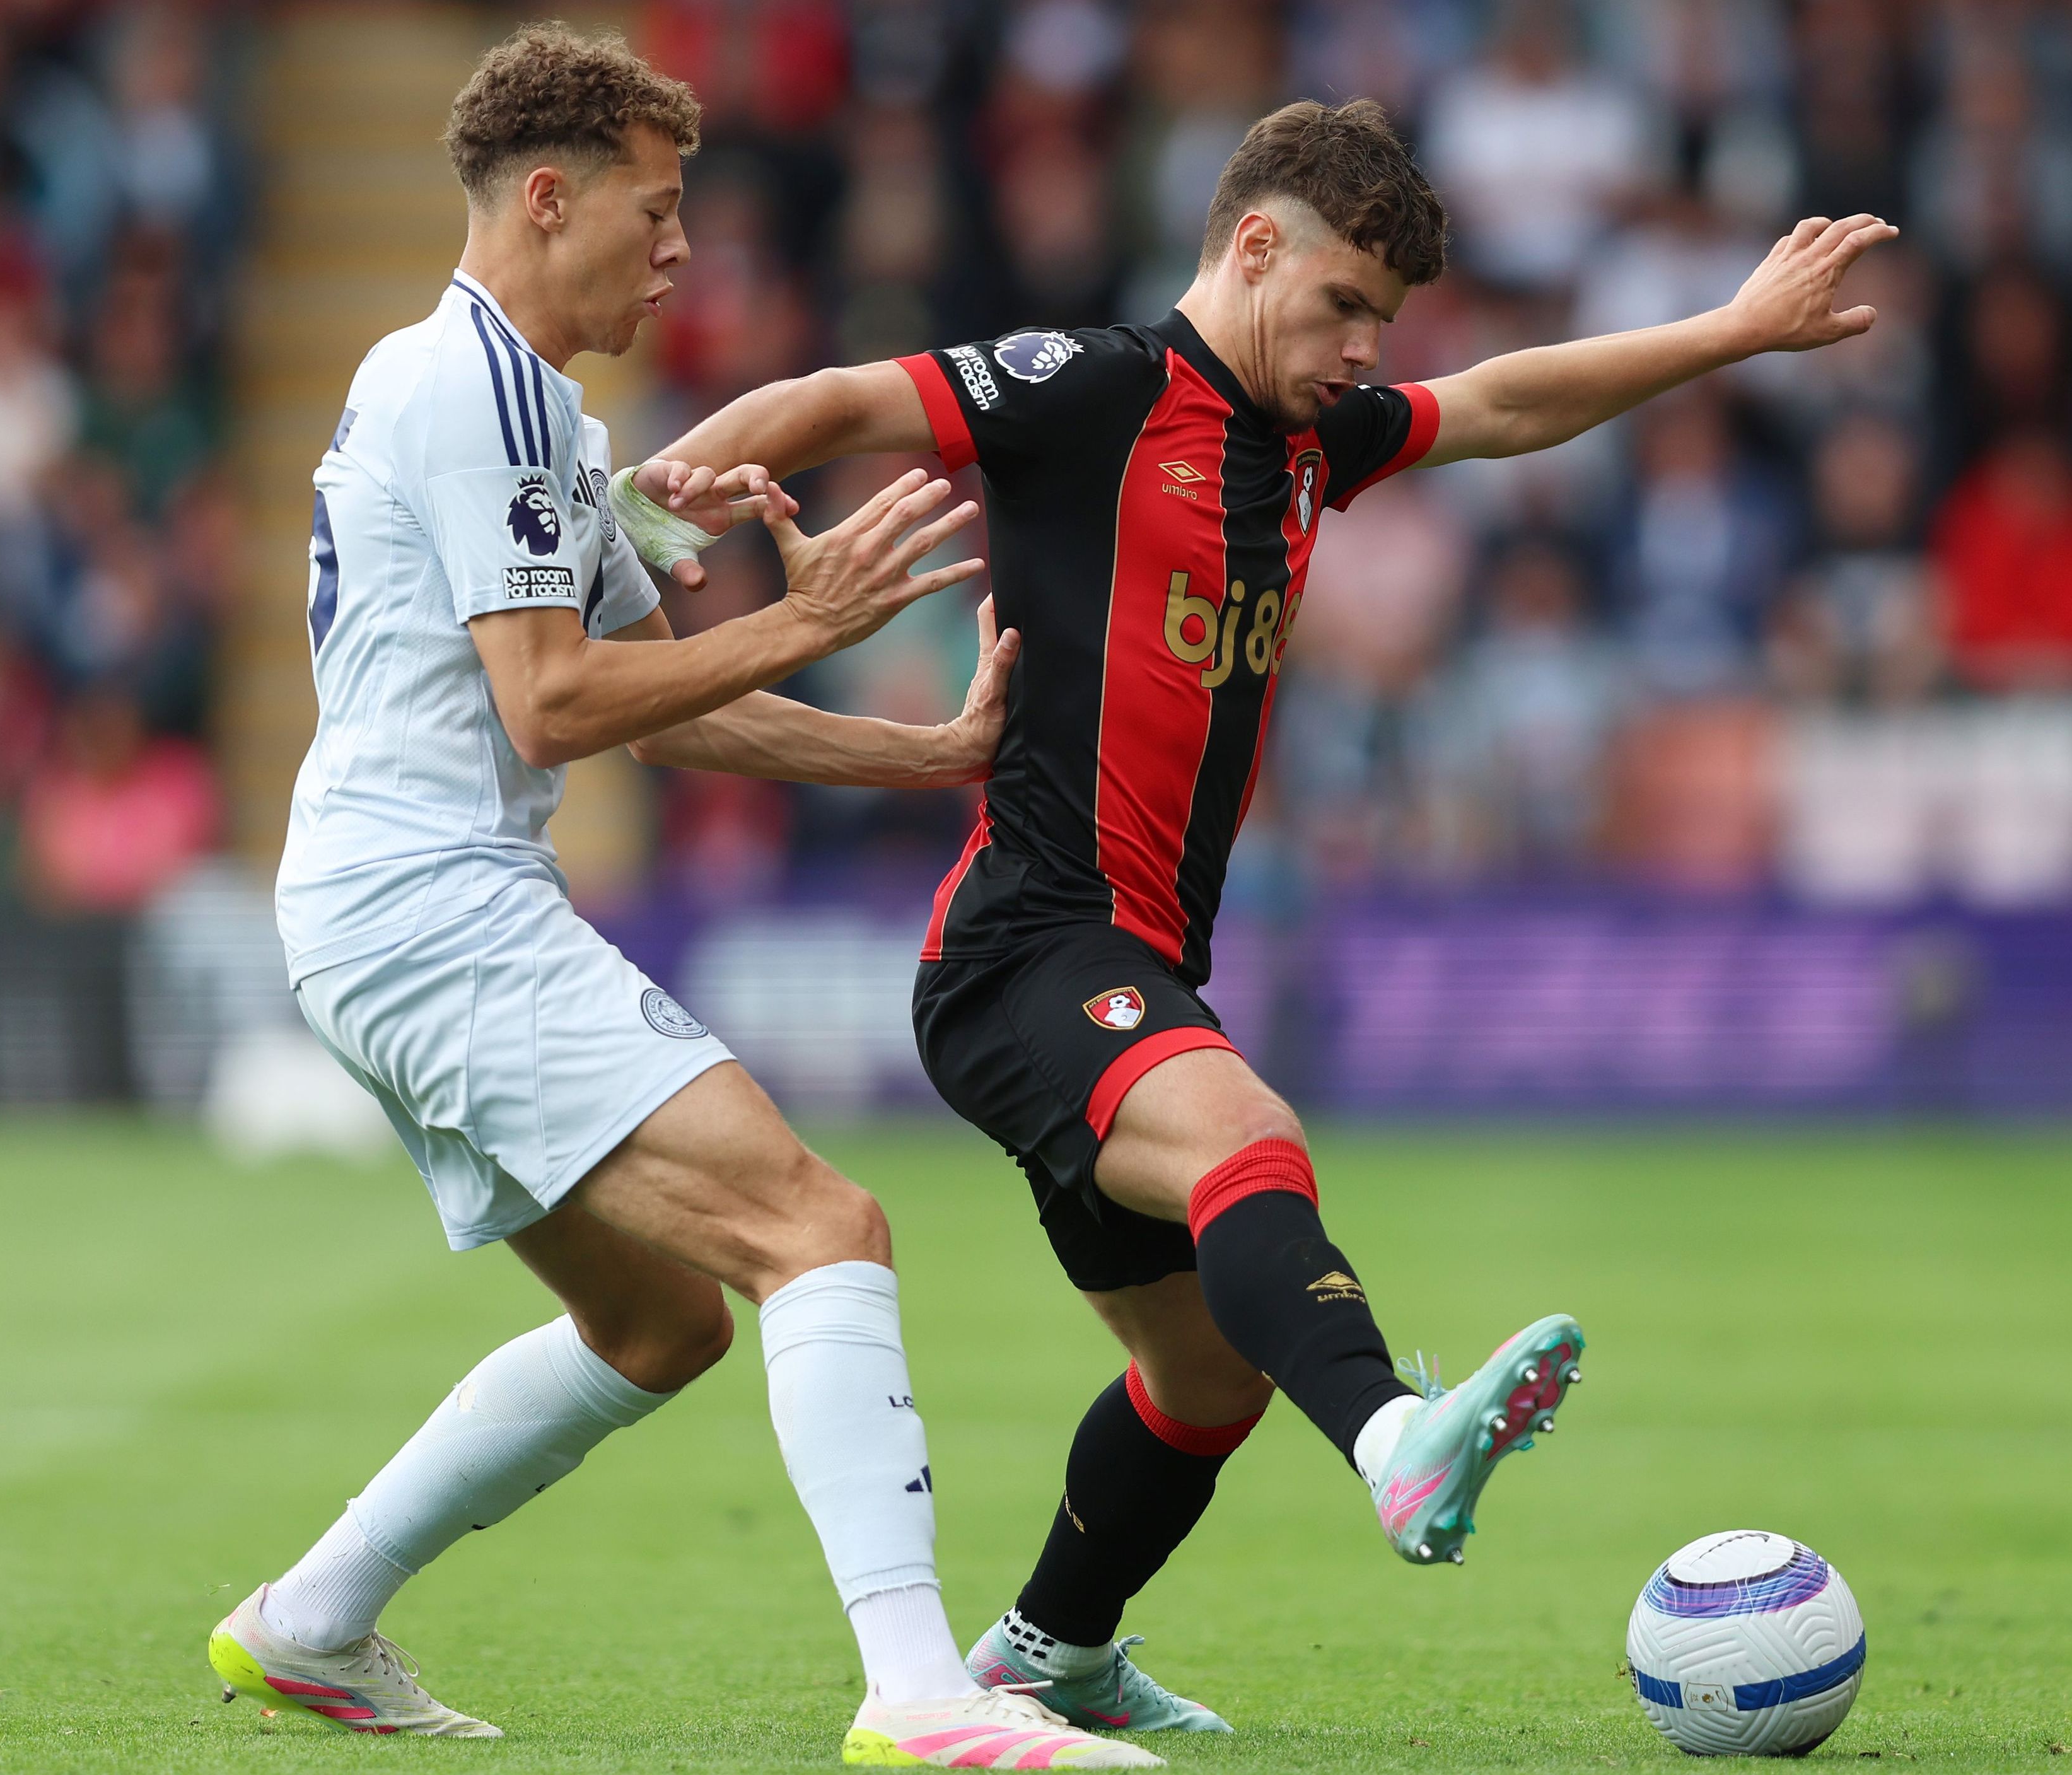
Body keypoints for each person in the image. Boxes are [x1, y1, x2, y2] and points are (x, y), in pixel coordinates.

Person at [632, 98, 1894, 1734]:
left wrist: (1728, 329)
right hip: (1029, 940)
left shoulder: (1314, 440)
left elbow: (1508, 401)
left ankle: (1051, 1652)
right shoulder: (1091, 391)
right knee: (1246, 1135)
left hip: (1137, 959)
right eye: (1342, 304)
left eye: (1383, 318)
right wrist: (658, 509)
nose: (1365, 346)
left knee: (1203, 1379)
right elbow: (838, 396)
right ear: (1249, 247)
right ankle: (1390, 1440)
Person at [212, 26, 1156, 1767]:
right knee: (823, 1229)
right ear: (547, 199)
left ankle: (312, 1622)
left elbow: (674, 701)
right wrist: (805, 617)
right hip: (430, 905)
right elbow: (552, 705)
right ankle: (924, 1700)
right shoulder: (474, 388)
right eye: (652, 214)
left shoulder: (533, 411)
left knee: (655, 1325)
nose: (677, 252)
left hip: (393, 903)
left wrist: (920, 753)